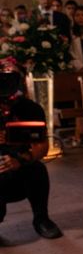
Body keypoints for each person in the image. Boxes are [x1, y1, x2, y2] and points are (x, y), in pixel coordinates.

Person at [0, 60, 62, 239]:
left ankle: (42, 219)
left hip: (20, 165)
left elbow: (42, 146)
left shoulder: (30, 109)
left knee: (38, 170)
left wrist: (20, 160)